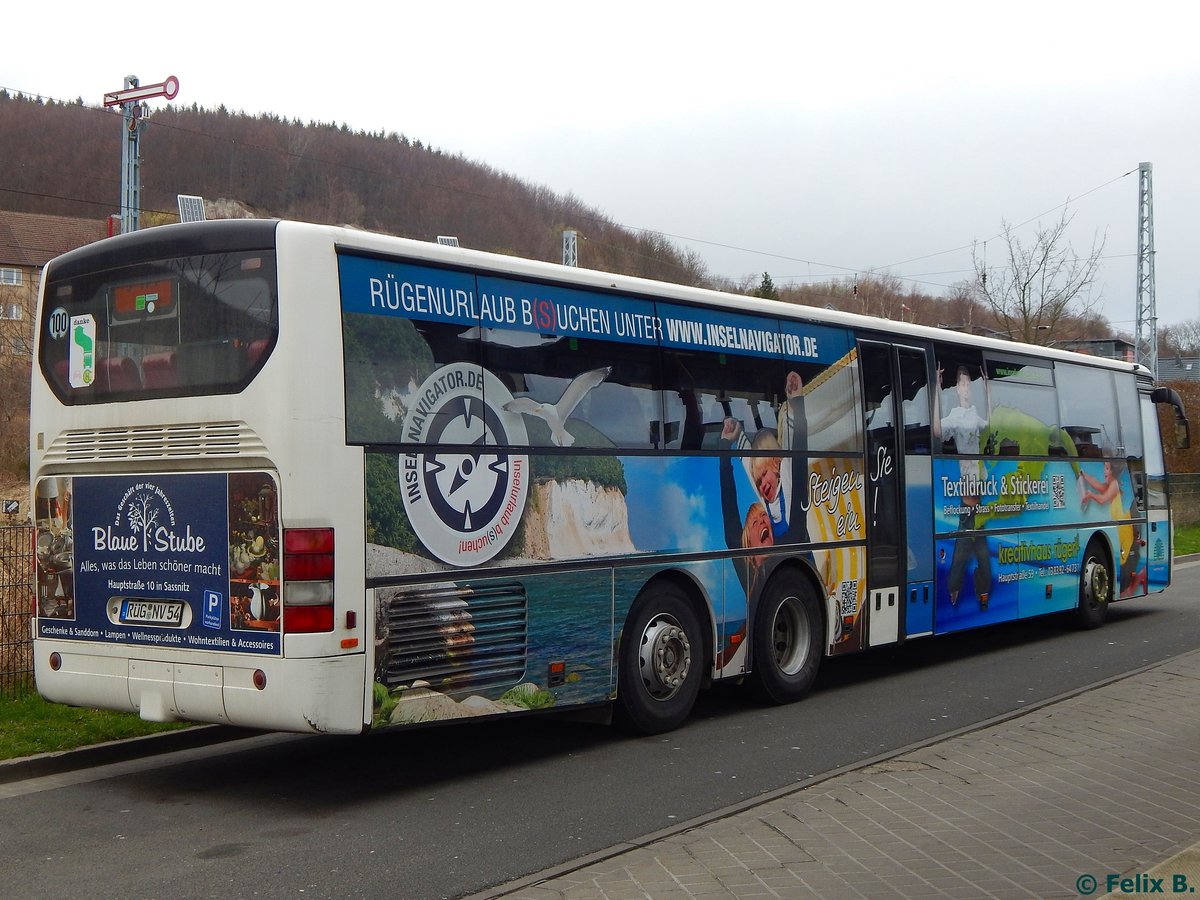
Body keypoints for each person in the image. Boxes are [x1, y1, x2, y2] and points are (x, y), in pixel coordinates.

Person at [933, 363, 993, 609]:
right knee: (963, 545)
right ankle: (956, 589)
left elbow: (989, 424)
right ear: (956, 389)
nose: (966, 388)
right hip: (966, 490)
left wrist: (989, 387)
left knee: (980, 547)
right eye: (962, 384)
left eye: (969, 384)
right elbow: (937, 430)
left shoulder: (975, 414)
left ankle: (979, 593)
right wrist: (936, 388)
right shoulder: (955, 416)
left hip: (980, 490)